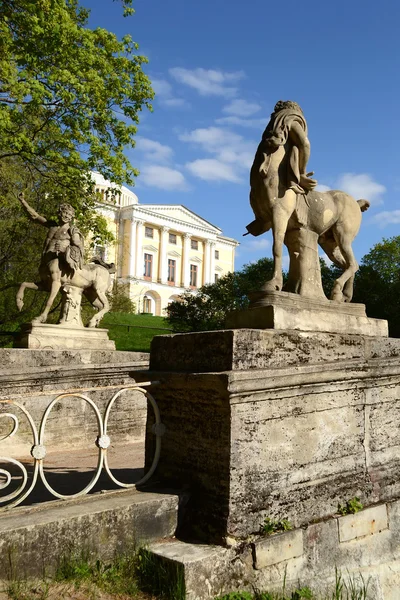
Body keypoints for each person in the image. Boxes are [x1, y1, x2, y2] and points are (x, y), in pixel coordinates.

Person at [18, 192, 84, 279]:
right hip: (46, 259)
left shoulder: (71, 230)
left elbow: (78, 247)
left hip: (60, 263)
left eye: (69, 214)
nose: (66, 216)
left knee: (55, 277)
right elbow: (35, 216)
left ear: (72, 217)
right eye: (65, 213)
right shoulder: (52, 225)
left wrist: (64, 249)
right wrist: (23, 201)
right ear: (60, 213)